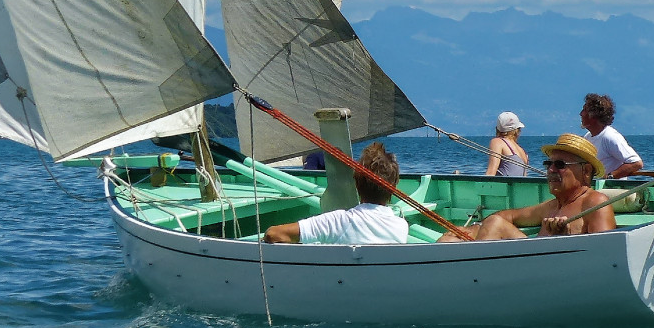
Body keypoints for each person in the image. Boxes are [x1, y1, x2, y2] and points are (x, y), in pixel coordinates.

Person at [438, 134, 616, 241]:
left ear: (586, 171)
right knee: (450, 240)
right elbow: (508, 216)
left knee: (493, 224)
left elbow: (605, 255)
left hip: (554, 275)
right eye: (548, 164)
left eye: (560, 164)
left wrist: (563, 238)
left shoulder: (595, 203)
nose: (551, 170)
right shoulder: (552, 206)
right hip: (529, 267)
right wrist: (474, 228)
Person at [262, 142, 408, 244]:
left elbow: (272, 234)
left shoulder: (338, 221)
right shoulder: (401, 227)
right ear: (393, 188)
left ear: (357, 184)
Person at [580, 93, 643, 178]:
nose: (581, 114)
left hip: (612, 186)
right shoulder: (587, 137)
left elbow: (636, 163)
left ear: (593, 115)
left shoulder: (609, 137)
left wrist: (610, 177)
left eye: (584, 110)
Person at [485, 111, 529, 176]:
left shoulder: (497, 142)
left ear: (497, 128)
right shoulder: (522, 151)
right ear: (517, 130)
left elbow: (491, 173)